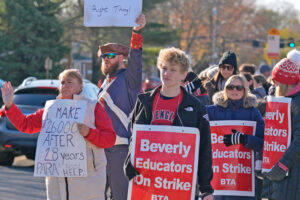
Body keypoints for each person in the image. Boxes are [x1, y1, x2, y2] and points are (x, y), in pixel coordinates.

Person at [1, 69, 116, 200]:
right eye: (62, 82)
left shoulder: (93, 107)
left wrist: (89, 132)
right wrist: (10, 105)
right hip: (57, 180)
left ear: (80, 86)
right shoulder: (52, 109)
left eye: (70, 82)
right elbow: (26, 125)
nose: (65, 86)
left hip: (88, 179)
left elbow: (110, 139)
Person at [124, 47, 214, 200]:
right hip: (148, 179)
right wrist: (129, 162)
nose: (166, 74)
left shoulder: (196, 106)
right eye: (164, 68)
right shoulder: (144, 101)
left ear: (183, 75)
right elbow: (134, 137)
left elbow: (204, 147)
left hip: (179, 181)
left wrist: (206, 188)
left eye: (173, 70)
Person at [97, 14, 146, 200]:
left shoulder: (129, 78)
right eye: (103, 56)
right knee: (97, 195)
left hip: (120, 150)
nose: (106, 59)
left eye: (110, 55)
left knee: (121, 196)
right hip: (100, 149)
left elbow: (136, 61)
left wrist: (136, 32)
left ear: (121, 58)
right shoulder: (104, 83)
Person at [206, 75, 265, 200]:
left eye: (239, 88)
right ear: (225, 89)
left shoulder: (253, 112)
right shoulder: (213, 111)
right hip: (219, 174)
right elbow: (195, 119)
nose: (234, 90)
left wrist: (244, 139)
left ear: (245, 90)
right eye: (231, 87)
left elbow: (263, 143)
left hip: (243, 176)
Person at [262, 49, 300, 200]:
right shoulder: (285, 99)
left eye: (275, 81)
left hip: (292, 171)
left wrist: (282, 166)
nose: (273, 85)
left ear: (283, 83)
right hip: (282, 170)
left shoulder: (297, 103)